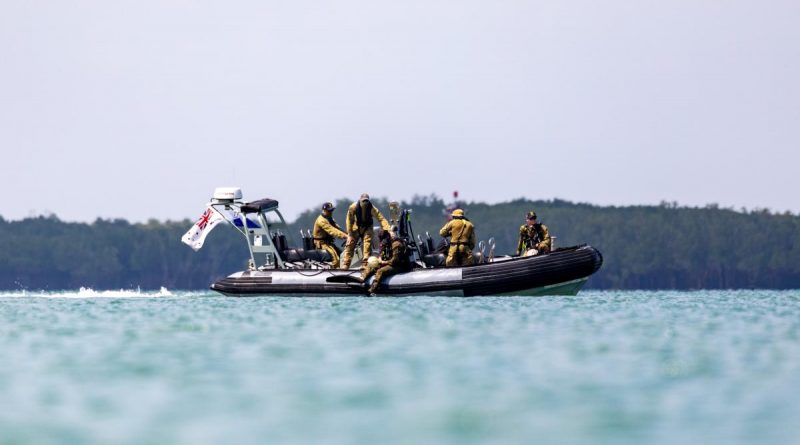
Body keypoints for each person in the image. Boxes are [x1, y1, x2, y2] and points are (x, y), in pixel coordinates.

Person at [340, 193, 391, 270]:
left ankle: (365, 264)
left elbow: (381, 218)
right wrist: (349, 234)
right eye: (363, 201)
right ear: (360, 200)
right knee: (350, 244)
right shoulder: (353, 207)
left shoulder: (372, 208)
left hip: (367, 227)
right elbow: (349, 221)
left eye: (366, 201)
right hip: (356, 227)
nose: (365, 203)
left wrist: (388, 229)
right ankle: (346, 264)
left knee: (367, 245)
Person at [362, 228, 412, 294]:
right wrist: (379, 259)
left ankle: (372, 289)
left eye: (384, 239)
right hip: (389, 263)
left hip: (399, 266)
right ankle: (362, 279)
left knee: (381, 271)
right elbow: (382, 254)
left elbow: (394, 261)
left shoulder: (396, 244)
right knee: (372, 266)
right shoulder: (384, 244)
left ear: (388, 237)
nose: (383, 242)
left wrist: (383, 262)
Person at [312, 202, 348, 268]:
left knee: (341, 255)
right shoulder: (321, 220)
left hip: (328, 243)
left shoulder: (329, 218)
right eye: (329, 211)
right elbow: (332, 231)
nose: (331, 212)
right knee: (335, 260)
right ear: (324, 210)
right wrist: (345, 236)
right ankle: (334, 273)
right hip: (322, 244)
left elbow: (337, 228)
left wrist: (348, 234)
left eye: (331, 211)